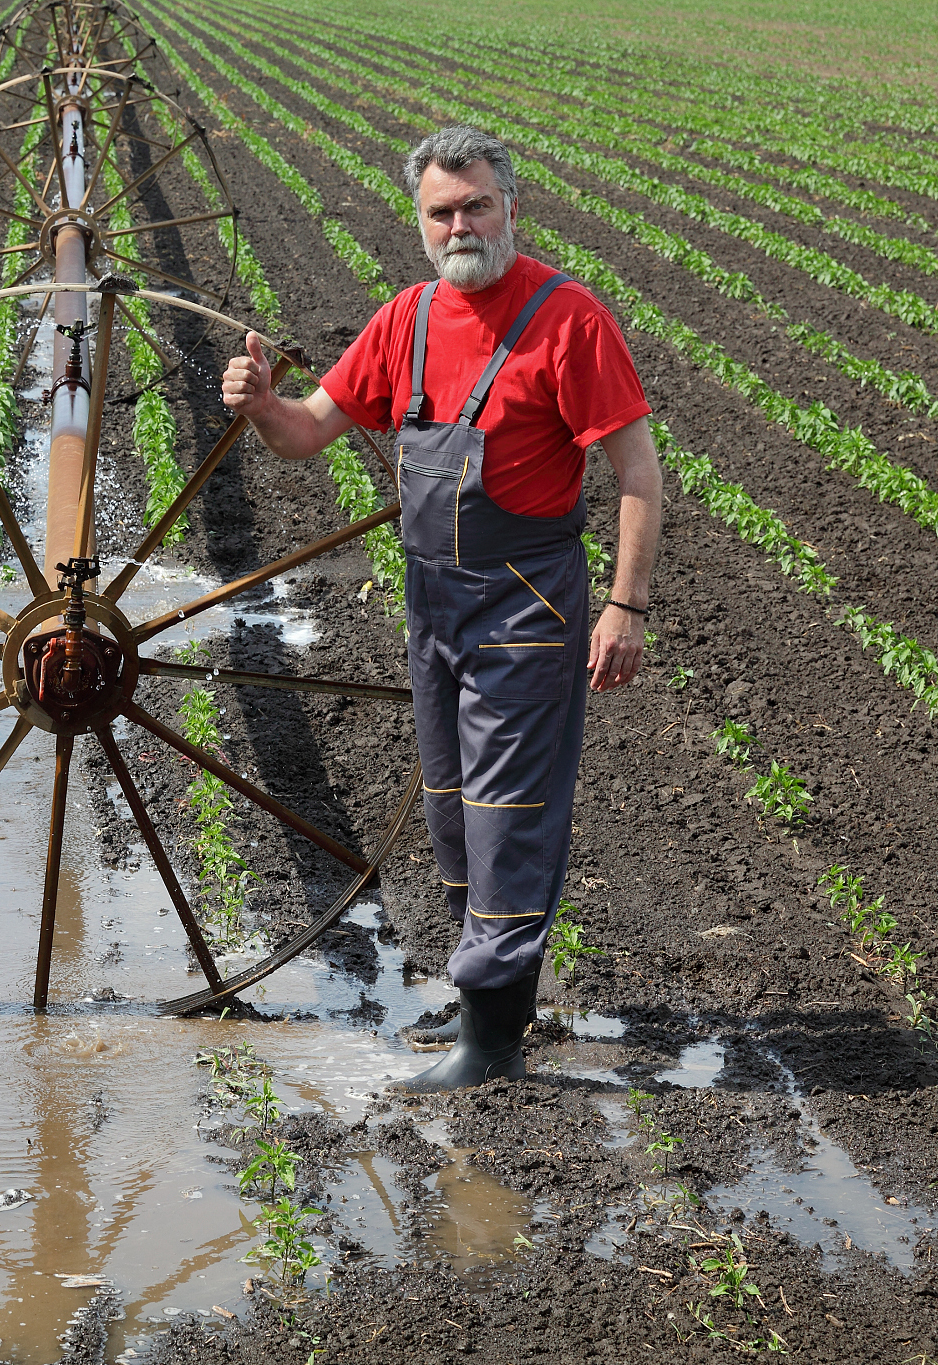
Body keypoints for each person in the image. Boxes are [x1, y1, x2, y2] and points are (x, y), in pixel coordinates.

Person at [220, 124, 660, 1092]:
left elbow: (636, 471)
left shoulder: (566, 317)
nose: (459, 224)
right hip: (432, 606)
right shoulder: (407, 320)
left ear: (509, 208)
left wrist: (623, 606)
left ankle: (491, 1043)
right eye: (440, 211)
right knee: (453, 810)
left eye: (475, 206)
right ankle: (482, 1002)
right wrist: (259, 403)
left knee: (507, 813)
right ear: (418, 222)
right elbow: (307, 434)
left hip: (525, 604)